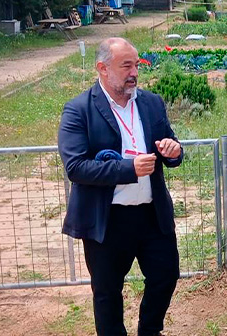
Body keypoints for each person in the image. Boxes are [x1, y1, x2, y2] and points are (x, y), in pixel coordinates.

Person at [58, 37, 183, 336]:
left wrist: (174, 151)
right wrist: (128, 168)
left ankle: (149, 331)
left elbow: (171, 145)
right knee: (107, 292)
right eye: (125, 65)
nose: (134, 72)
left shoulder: (151, 103)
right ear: (102, 68)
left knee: (166, 275)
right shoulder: (79, 110)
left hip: (152, 216)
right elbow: (75, 167)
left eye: (136, 65)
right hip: (107, 220)